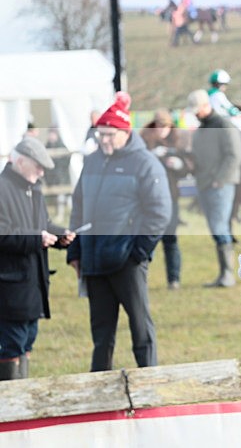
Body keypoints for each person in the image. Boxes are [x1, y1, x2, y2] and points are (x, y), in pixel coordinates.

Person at [67, 92, 171, 371]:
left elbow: (159, 212)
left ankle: (149, 378)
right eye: (101, 134)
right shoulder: (91, 162)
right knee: (100, 333)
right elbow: (78, 208)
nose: (104, 140)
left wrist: (138, 252)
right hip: (94, 260)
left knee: (140, 326)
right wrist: (75, 250)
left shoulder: (145, 164)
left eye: (110, 134)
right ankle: (99, 386)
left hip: (127, 261)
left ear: (125, 133)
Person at [0, 137, 75, 380]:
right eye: (38, 166)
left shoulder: (35, 189)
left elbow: (42, 224)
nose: (42, 172)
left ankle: (23, 401)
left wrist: (60, 235)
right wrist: (37, 238)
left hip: (33, 283)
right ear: (20, 162)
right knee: (12, 342)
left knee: (28, 340)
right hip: (9, 285)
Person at [186, 89, 241, 287]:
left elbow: (234, 155)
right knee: (215, 228)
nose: (195, 114)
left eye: (197, 110)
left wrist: (219, 180)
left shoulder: (224, 126)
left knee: (219, 227)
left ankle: (227, 275)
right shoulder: (201, 130)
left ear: (205, 106)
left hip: (221, 185)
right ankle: (224, 274)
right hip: (204, 184)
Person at [140, 110, 189, 289]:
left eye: (166, 126)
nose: (162, 130)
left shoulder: (176, 141)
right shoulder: (144, 141)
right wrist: (152, 155)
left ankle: (173, 279)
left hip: (170, 197)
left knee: (170, 239)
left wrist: (179, 164)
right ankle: (140, 276)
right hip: (148, 198)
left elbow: (187, 168)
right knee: (147, 239)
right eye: (159, 126)